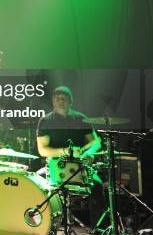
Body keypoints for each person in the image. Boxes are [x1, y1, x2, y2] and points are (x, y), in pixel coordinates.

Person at [36, 85, 104, 228]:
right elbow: (43, 150)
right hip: (56, 166)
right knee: (37, 181)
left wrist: (87, 154)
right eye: (57, 98)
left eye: (64, 98)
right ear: (53, 101)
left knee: (97, 185)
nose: (61, 101)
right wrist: (65, 151)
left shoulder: (81, 119)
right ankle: (41, 226)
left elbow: (96, 142)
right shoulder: (46, 121)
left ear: (70, 101)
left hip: (80, 167)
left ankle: (100, 228)